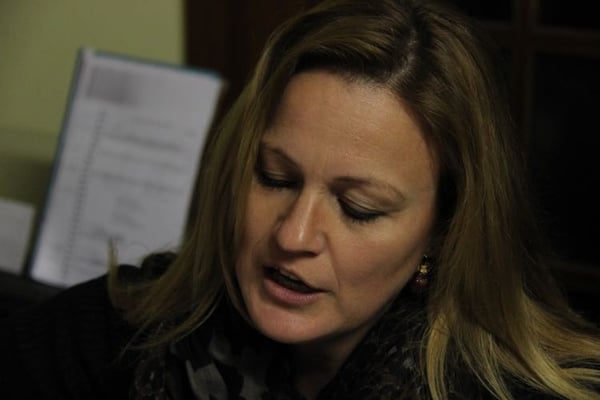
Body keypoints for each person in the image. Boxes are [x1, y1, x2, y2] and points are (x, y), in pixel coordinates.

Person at [2, 0, 600, 399]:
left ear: (444, 230)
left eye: (359, 208)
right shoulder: (129, 329)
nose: (293, 235)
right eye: (275, 178)